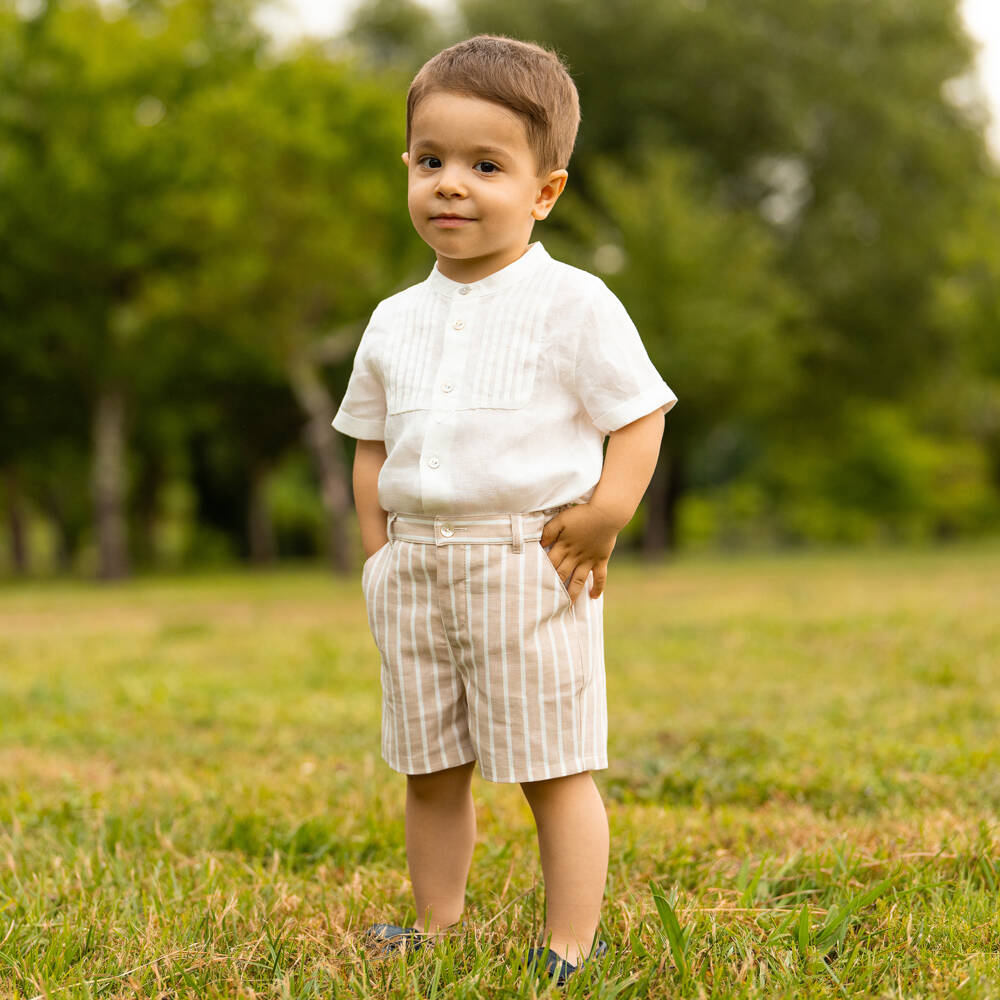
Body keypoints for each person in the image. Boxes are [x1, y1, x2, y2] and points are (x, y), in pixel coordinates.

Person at [331, 33, 677, 987]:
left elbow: (640, 416)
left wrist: (605, 514)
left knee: (551, 766)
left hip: (528, 563)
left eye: (486, 166)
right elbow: (370, 441)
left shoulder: (574, 302)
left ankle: (570, 942)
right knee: (430, 765)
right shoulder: (394, 318)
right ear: (406, 168)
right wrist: (376, 551)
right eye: (431, 161)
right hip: (416, 566)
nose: (452, 184)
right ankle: (435, 923)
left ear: (544, 191)